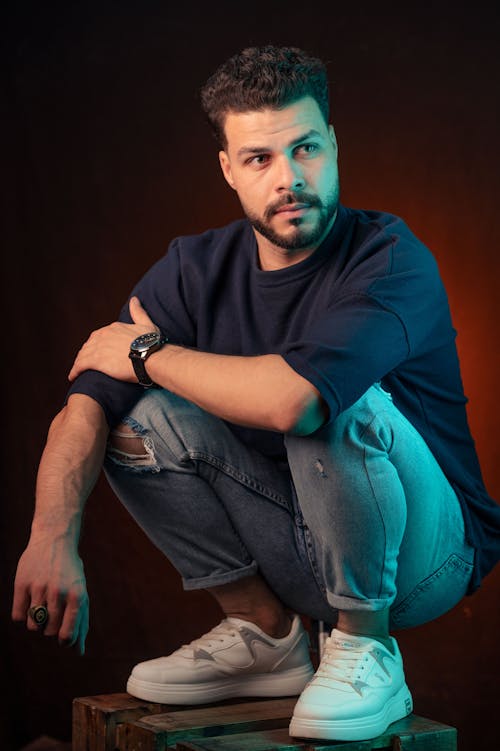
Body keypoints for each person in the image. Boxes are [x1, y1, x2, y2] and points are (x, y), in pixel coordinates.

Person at [12, 45, 500, 742]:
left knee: (330, 402)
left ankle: (366, 646)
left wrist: (148, 351)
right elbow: (88, 402)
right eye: (260, 158)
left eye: (305, 148)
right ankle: (264, 633)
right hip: (295, 541)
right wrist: (51, 535)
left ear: (333, 144)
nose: (289, 177)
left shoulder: (390, 258)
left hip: (426, 556)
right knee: (136, 419)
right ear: (228, 170)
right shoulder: (194, 268)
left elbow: (295, 401)